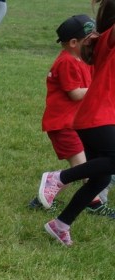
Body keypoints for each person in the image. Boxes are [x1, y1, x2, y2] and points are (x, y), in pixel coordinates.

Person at [38, 1, 115, 245]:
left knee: (101, 178)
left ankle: (60, 225)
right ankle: (59, 178)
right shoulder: (110, 38)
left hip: (94, 116)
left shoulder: (102, 41)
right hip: (98, 115)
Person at [34, 15, 101, 211]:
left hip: (77, 123)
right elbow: (75, 93)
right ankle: (94, 203)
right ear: (73, 43)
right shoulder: (66, 62)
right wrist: (98, 87)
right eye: (90, 40)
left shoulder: (84, 60)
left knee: (83, 166)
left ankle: (40, 200)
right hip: (63, 125)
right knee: (82, 167)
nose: (94, 43)